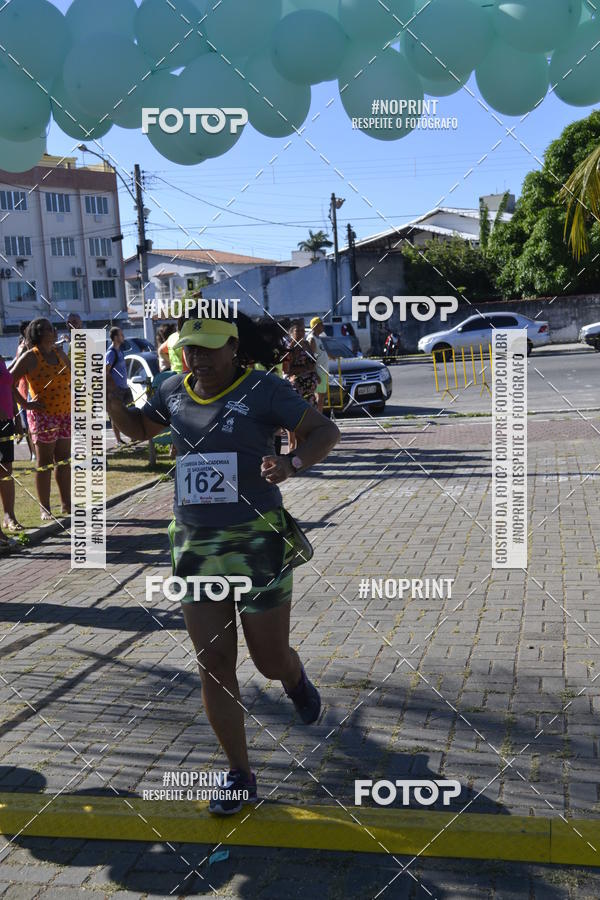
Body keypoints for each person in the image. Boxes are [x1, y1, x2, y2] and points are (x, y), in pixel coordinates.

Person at [106, 312, 340, 815]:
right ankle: (239, 773)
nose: (199, 359)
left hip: (256, 540)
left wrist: (291, 464)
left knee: (268, 660)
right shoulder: (171, 390)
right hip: (195, 546)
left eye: (209, 349)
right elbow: (133, 427)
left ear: (234, 348)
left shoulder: (264, 390)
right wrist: (103, 386)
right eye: (190, 349)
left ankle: (294, 679)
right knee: (213, 662)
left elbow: (325, 431)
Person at [9, 318, 71, 521]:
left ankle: (66, 504)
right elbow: (8, 381)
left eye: (52, 328)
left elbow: (74, 376)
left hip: (65, 413)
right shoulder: (30, 357)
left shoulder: (59, 353)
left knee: (64, 461)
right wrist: (25, 405)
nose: (52, 332)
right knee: (44, 463)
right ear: (37, 333)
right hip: (43, 417)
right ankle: (45, 508)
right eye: (47, 329)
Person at [0, 356, 36, 540]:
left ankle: (9, 516)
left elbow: (8, 386)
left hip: (5, 422)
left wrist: (16, 417)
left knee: (6, 470)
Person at [282, 319, 318, 452]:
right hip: (294, 388)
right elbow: (286, 369)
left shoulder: (307, 345)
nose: (302, 332)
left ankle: (304, 449)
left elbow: (313, 362)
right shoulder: (289, 347)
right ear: (291, 333)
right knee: (294, 418)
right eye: (298, 330)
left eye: (303, 330)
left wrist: (312, 371)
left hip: (308, 389)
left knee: (307, 418)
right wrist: (303, 369)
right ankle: (292, 447)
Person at [106, 327, 133, 445]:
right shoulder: (111, 353)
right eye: (121, 335)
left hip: (124, 388)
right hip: (116, 390)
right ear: (116, 338)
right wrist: (111, 388)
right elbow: (105, 372)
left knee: (130, 412)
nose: (123, 337)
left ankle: (133, 436)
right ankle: (118, 441)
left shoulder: (119, 351)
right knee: (115, 415)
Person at [13, 321, 34, 461]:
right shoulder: (23, 348)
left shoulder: (35, 346)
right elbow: (14, 371)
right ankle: (33, 453)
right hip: (25, 391)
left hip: (35, 390)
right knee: (29, 426)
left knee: (32, 426)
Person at [307, 317, 330, 414]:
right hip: (318, 372)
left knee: (322, 396)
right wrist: (315, 374)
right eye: (321, 324)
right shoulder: (312, 339)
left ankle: (319, 416)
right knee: (319, 397)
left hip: (323, 371)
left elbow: (320, 353)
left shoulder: (318, 338)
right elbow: (311, 359)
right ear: (315, 326)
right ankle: (318, 417)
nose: (323, 326)